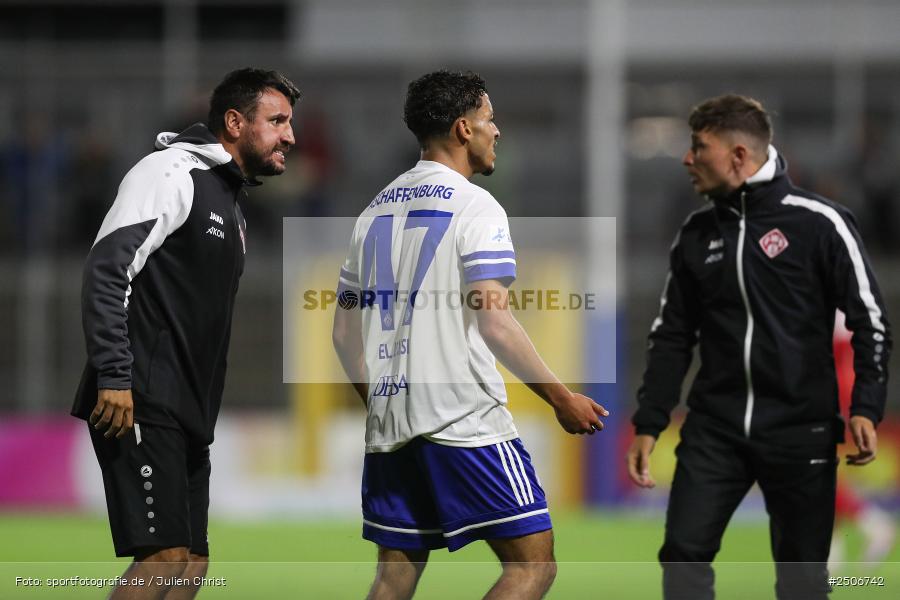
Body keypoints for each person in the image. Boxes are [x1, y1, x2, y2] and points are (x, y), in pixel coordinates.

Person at [332, 70, 608, 600]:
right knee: (533, 565)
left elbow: (345, 334)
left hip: (391, 425)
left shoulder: (372, 212)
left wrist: (381, 401)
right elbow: (495, 321)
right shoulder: (476, 207)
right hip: (462, 419)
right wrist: (561, 398)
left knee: (394, 576)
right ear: (463, 128)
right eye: (489, 119)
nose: (496, 130)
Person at [625, 94, 891, 599]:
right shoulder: (696, 234)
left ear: (739, 155)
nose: (687, 159)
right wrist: (650, 420)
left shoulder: (821, 222)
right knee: (682, 557)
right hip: (714, 430)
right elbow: (672, 334)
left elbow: (870, 322)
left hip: (801, 429)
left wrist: (866, 405)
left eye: (698, 147)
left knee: (802, 581)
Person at [72, 68, 300, 599]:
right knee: (164, 559)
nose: (290, 135)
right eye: (277, 121)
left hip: (189, 411)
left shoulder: (231, 201)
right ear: (235, 122)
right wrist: (114, 375)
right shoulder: (170, 171)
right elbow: (107, 271)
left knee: (192, 564)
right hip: (141, 399)